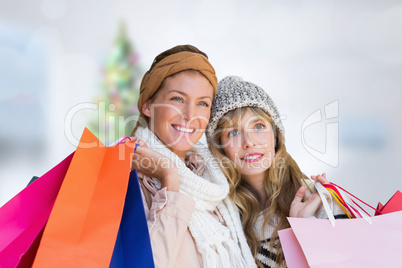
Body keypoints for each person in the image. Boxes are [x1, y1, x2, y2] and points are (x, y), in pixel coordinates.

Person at [130, 46, 256, 268]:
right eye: (178, 99)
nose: (190, 115)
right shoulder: (127, 180)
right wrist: (169, 178)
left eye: (202, 103)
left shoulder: (211, 179)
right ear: (148, 105)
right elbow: (144, 264)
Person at [206, 76, 346, 268]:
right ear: (220, 149)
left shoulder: (318, 199)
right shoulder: (221, 218)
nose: (249, 141)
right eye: (233, 132)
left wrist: (305, 230)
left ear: (276, 135)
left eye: (259, 126)